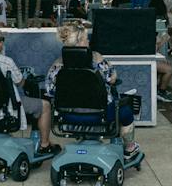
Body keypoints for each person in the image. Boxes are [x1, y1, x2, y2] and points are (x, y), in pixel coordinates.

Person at [39, 21, 138, 162]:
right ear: (79, 42)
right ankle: (130, 148)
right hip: (100, 115)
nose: (88, 41)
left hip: (68, 116)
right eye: (86, 38)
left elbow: (50, 91)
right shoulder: (97, 59)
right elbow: (112, 78)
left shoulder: (57, 65)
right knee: (125, 111)